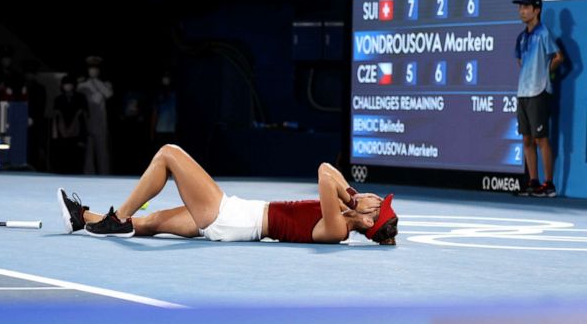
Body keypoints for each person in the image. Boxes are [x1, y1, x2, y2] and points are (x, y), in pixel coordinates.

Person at [57, 144, 398, 245]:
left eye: (378, 205)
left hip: (232, 218)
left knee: (168, 155)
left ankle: (117, 217)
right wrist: (351, 195)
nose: (375, 197)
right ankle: (82, 218)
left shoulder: (337, 227)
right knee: (150, 222)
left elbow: (325, 171)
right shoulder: (341, 210)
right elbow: (333, 174)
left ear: (367, 219)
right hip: (235, 217)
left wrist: (351, 199)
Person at [512, 0, 564, 198]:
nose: (521, 11)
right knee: (526, 139)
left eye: (525, 7)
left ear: (536, 10)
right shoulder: (521, 37)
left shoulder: (544, 33)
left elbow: (559, 57)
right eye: (520, 8)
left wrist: (545, 71)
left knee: (541, 138)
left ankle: (548, 184)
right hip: (523, 93)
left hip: (539, 91)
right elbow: (520, 62)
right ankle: (533, 182)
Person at [77, 55, 113, 174]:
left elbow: (108, 94)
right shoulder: (83, 84)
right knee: (88, 151)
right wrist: (88, 82)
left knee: (102, 150)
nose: (93, 71)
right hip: (88, 120)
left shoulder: (105, 84)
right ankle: (88, 174)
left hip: (101, 122)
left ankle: (104, 173)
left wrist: (96, 82)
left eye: (95, 68)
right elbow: (78, 90)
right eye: (91, 68)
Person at [50, 74, 88, 174]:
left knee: (77, 160)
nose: (68, 86)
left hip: (77, 134)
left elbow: (85, 118)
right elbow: (55, 120)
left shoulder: (81, 98)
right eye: (66, 84)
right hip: (62, 136)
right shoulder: (58, 99)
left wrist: (82, 138)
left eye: (70, 84)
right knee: (63, 159)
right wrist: (55, 136)